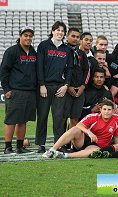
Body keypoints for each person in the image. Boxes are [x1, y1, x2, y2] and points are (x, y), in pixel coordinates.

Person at [35, 21, 73, 153]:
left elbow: (70, 70)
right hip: (44, 86)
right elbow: (39, 66)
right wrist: (41, 85)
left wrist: (66, 86)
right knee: (43, 116)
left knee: (58, 117)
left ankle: (59, 144)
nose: (60, 33)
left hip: (59, 87)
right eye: (58, 30)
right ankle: (40, 144)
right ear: (52, 31)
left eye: (62, 31)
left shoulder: (67, 50)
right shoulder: (44, 45)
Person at [0, 27, 37, 154]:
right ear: (20, 36)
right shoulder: (12, 51)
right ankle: (7, 147)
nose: (28, 38)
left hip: (30, 91)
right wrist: (6, 89)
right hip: (15, 91)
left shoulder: (33, 52)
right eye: (25, 35)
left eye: (30, 36)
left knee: (23, 120)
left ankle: (20, 147)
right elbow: (4, 71)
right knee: (11, 120)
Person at [42, 99, 118, 159]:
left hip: (97, 146)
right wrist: (89, 133)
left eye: (109, 110)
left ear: (113, 111)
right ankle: (52, 150)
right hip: (84, 140)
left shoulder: (116, 119)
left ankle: (64, 155)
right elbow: (79, 124)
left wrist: (117, 149)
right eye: (104, 109)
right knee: (75, 129)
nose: (106, 112)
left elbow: (117, 136)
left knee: (96, 151)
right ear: (100, 110)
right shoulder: (92, 117)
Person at [65, 28, 90, 129]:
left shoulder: (81, 53)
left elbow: (87, 71)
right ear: (67, 37)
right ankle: (60, 142)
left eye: (77, 37)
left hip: (79, 90)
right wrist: (67, 86)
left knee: (75, 118)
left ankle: (72, 143)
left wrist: (83, 87)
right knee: (62, 117)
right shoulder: (63, 51)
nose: (75, 39)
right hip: (65, 90)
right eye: (73, 36)